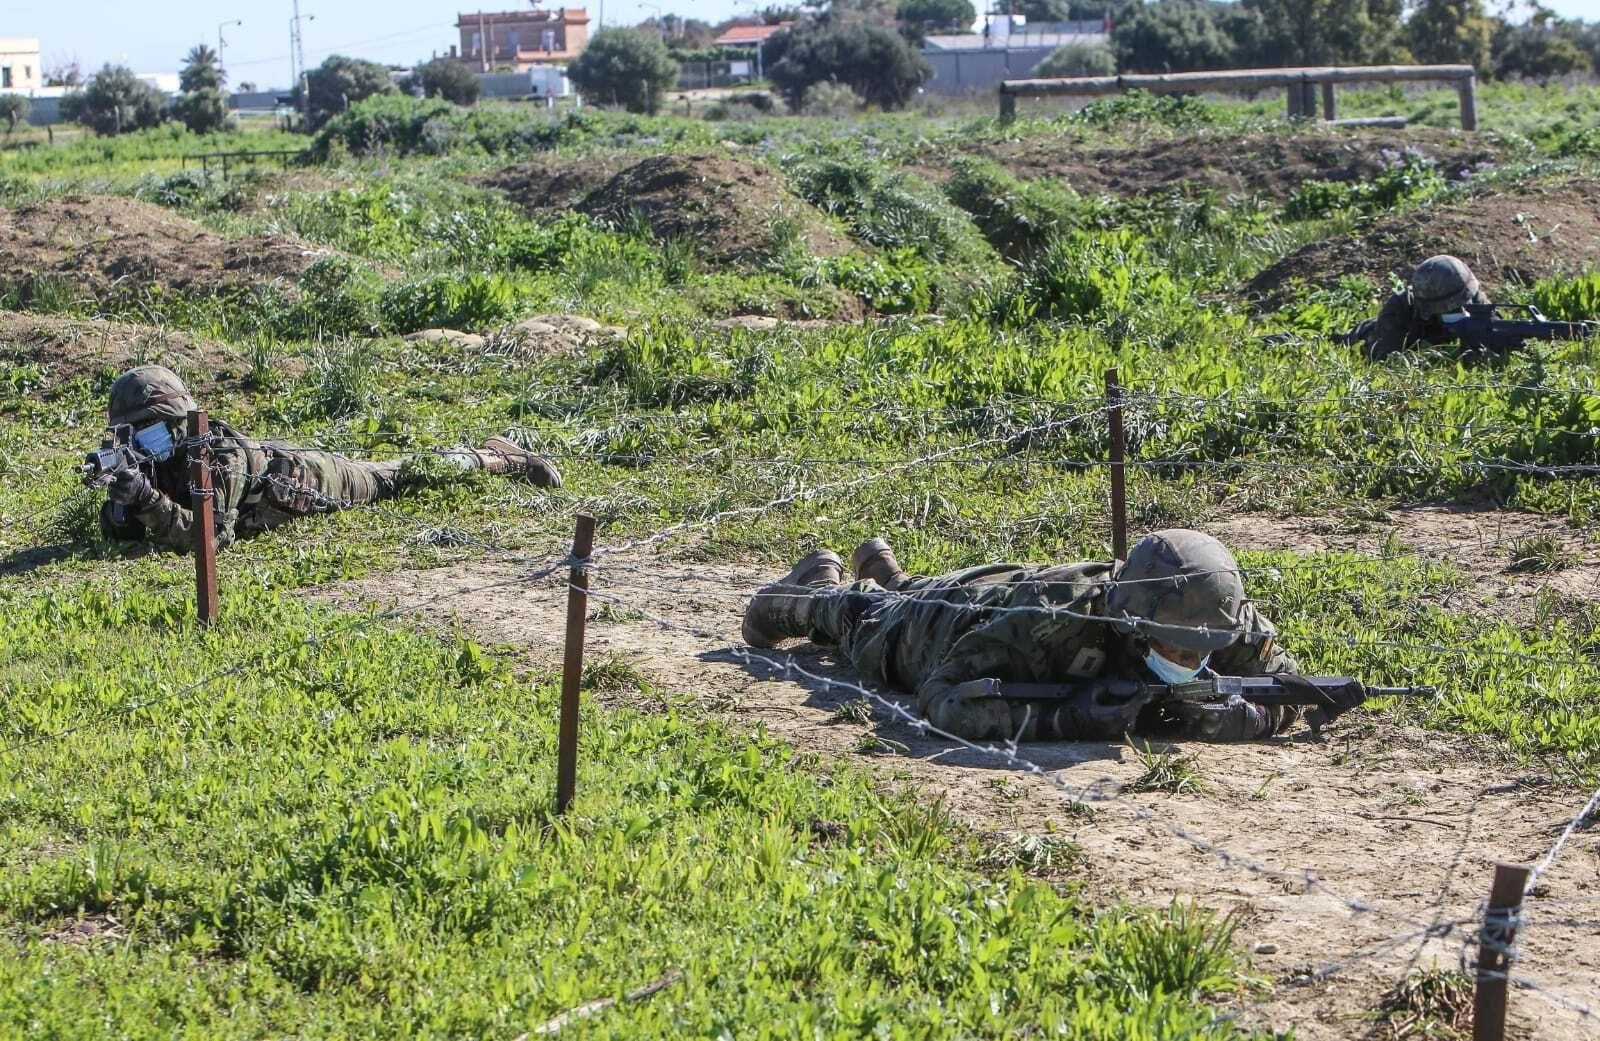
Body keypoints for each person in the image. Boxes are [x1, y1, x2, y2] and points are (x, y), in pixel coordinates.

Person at [740, 529, 1367, 742]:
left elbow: (1285, 686)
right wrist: (1065, 722)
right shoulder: (1054, 620)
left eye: (1201, 652)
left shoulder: (1213, 614)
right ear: (1130, 621)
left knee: (900, 593)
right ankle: (811, 589)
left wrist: (1252, 720)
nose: (1190, 661)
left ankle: (886, 571)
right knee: (862, 622)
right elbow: (942, 695)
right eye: (1176, 650)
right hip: (942, 627)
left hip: (993, 594)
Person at [93, 365, 562, 551]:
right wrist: (124, 501)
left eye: (151, 433)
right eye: (133, 435)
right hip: (279, 479)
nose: (143, 444)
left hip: (313, 480)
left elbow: (209, 541)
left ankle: (496, 457)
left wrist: (147, 498)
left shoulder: (219, 456)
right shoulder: (161, 457)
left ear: (179, 422)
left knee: (398, 477)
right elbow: (133, 527)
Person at [1343, 254, 1491, 361]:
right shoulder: (1401, 308)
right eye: (1452, 307)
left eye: (1462, 303)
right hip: (1370, 334)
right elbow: (1385, 359)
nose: (1460, 308)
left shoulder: (1473, 296)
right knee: (1360, 336)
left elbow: (1496, 330)